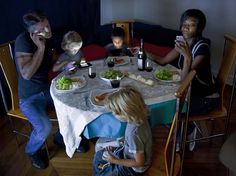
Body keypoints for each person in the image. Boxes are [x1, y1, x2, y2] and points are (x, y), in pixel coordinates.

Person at [147, 9, 220, 151]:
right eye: (184, 24)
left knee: (171, 108)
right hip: (189, 93)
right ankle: (184, 128)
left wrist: (187, 57)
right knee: (166, 105)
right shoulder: (183, 41)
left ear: (199, 28)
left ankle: (187, 131)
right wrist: (143, 52)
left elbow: (185, 81)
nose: (185, 27)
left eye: (191, 24)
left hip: (206, 98)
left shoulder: (202, 48)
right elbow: (163, 60)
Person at [93, 86, 152, 176]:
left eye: (114, 112)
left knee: (101, 173)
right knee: (99, 155)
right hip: (127, 153)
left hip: (133, 169)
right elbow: (134, 143)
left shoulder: (134, 133)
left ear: (126, 113)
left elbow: (140, 163)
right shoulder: (139, 116)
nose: (113, 114)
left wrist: (115, 161)